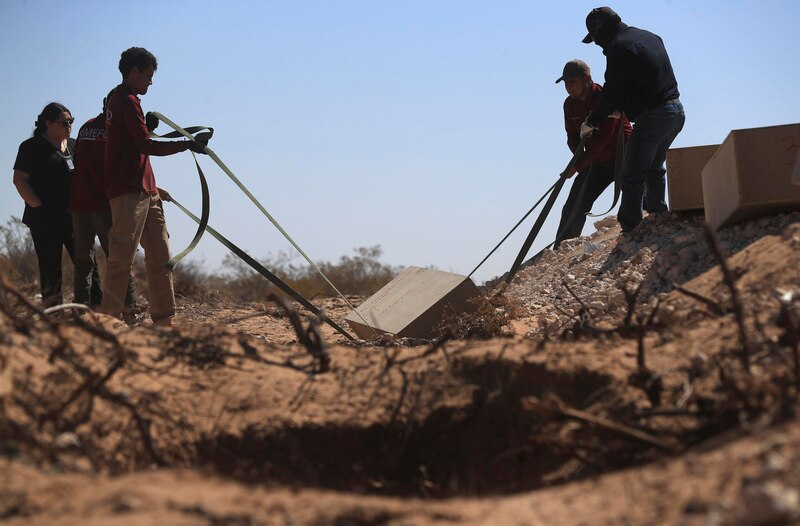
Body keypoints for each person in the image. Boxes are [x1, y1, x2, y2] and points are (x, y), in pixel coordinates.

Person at [100, 47, 208, 326]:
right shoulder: (124, 100)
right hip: (127, 192)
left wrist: (145, 126)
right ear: (134, 73)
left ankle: (163, 320)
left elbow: (136, 141)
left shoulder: (125, 100)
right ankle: (106, 324)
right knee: (121, 259)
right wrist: (188, 145)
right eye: (147, 76)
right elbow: (144, 145)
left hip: (147, 191)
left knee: (161, 256)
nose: (150, 82)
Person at [579, 6, 685, 232]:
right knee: (654, 166)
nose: (597, 45)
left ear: (601, 31)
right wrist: (624, 107)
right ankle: (657, 213)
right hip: (675, 112)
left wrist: (593, 121)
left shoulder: (619, 47)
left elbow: (612, 91)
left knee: (631, 174)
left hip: (654, 116)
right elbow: (645, 79)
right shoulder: (649, 36)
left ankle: (631, 228)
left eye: (596, 39)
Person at [12, 102, 100, 307]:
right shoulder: (31, 147)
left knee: (88, 265)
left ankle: (94, 308)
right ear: (48, 123)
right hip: (45, 220)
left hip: (75, 218)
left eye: (71, 121)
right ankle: (55, 315)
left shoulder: (74, 145)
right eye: (64, 122)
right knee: (50, 269)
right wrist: (38, 206)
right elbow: (19, 179)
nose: (69, 126)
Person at [70, 89, 138, 311]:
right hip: (104, 205)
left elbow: (78, 159)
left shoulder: (85, 127)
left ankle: (80, 309)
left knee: (83, 262)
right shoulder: (116, 132)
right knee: (119, 259)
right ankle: (128, 308)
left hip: (79, 204)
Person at [554, 59, 632, 248]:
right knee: (574, 205)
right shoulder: (569, 105)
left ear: (586, 78)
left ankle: (642, 228)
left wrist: (578, 166)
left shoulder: (606, 97)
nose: (568, 87)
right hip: (596, 160)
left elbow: (603, 138)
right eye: (565, 83)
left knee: (637, 193)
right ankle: (563, 247)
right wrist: (578, 159)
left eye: (572, 82)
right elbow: (572, 136)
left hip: (625, 154)